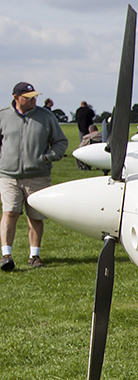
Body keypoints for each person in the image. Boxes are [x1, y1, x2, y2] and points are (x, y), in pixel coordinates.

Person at [0, 82, 68, 270]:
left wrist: (47, 158)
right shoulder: (3, 116)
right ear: (16, 98)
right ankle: (6, 255)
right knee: (9, 213)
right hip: (8, 176)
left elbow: (61, 142)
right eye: (28, 97)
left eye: (34, 97)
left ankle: (34, 256)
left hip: (38, 175)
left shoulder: (46, 117)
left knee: (36, 217)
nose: (33, 100)